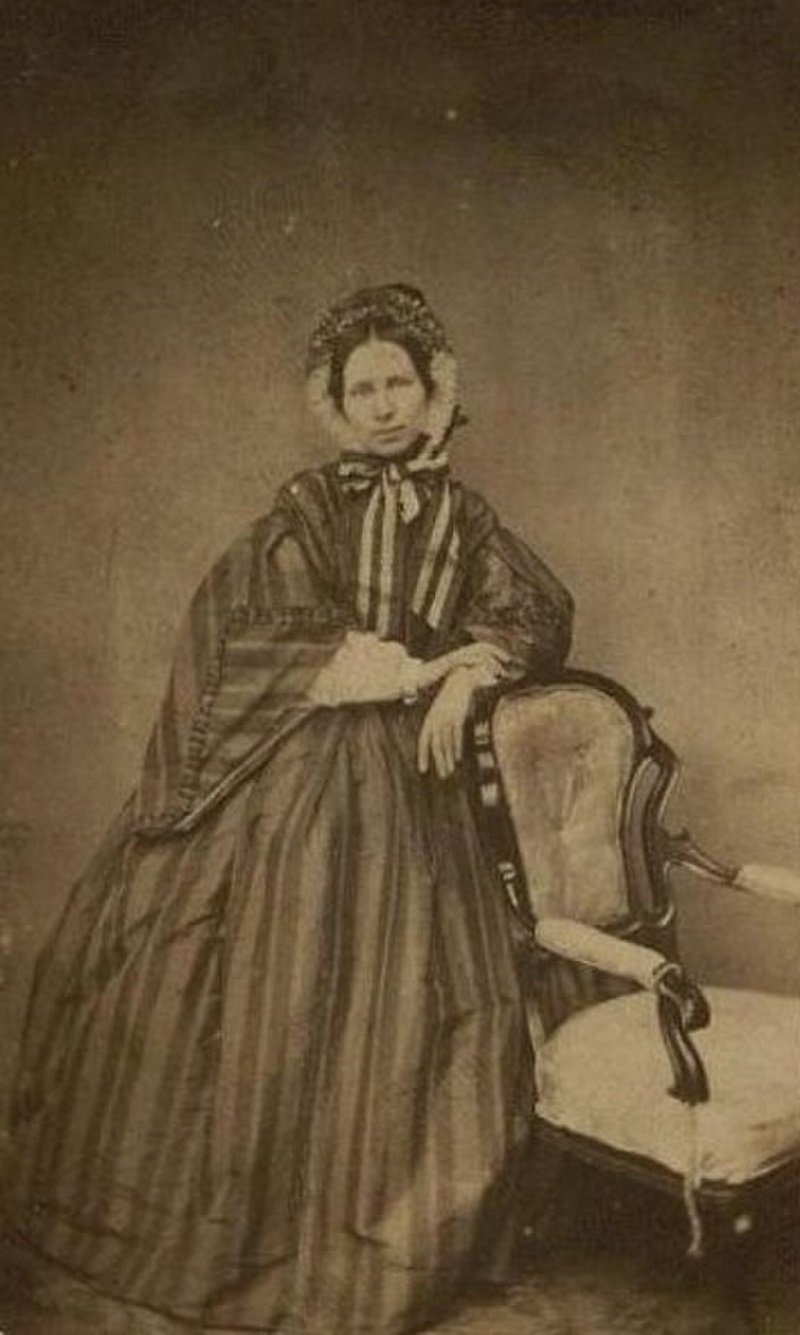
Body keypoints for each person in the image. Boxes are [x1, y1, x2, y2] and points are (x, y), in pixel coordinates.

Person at [8, 284, 573, 1333]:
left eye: (398, 383)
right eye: (362, 389)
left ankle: (398, 1230)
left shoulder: (465, 517)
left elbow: (533, 610)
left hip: (420, 790)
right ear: (335, 403)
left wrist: (467, 675)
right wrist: (382, 669)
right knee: (275, 979)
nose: (383, 405)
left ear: (434, 390)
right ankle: (254, 1235)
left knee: (429, 1005)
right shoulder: (308, 510)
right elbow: (235, 632)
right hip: (298, 773)